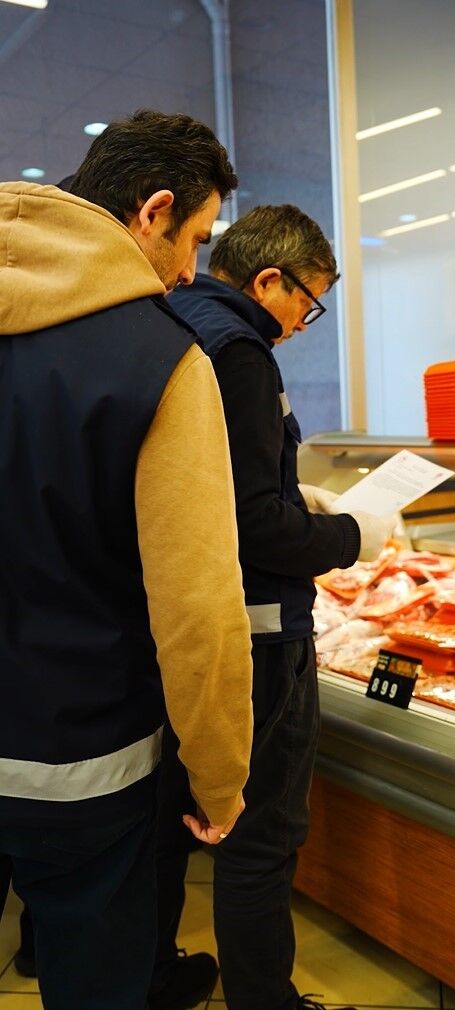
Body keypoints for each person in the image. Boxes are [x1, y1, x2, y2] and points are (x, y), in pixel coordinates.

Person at [0, 109, 254, 1010]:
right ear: (152, 211)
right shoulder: (161, 359)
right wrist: (220, 777)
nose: (189, 271)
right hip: (84, 768)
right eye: (194, 239)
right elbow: (197, 608)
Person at [164, 204, 395, 1010]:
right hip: (259, 633)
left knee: (187, 822)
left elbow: (219, 486)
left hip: (195, 623)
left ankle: (160, 971)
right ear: (269, 280)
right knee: (260, 834)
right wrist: (350, 535)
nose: (302, 322)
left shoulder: (178, 321)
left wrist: (293, 495)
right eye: (308, 301)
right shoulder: (239, 349)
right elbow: (253, 526)